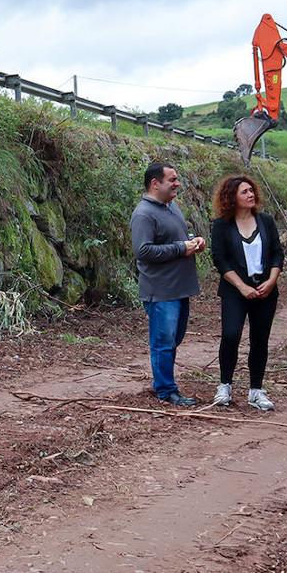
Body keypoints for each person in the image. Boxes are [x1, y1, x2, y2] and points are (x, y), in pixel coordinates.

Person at [131, 162, 206, 406]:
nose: (177, 183)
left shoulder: (172, 207)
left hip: (179, 288)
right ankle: (165, 390)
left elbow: (177, 240)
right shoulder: (144, 214)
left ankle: (162, 383)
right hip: (161, 291)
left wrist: (193, 242)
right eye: (172, 179)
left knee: (174, 339)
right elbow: (143, 251)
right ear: (155, 183)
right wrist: (180, 248)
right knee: (163, 343)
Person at [209, 175, 283, 410]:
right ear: (231, 197)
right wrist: (241, 287)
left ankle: (256, 390)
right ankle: (225, 386)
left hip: (265, 289)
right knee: (231, 335)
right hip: (234, 290)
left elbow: (277, 253)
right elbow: (220, 260)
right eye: (244, 192)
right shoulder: (221, 225)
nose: (250, 195)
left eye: (251, 190)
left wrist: (271, 281)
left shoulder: (266, 221)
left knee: (260, 340)